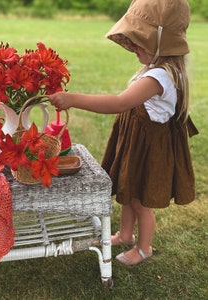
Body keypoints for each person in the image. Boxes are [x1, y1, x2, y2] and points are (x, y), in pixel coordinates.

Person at [49, 0, 198, 266]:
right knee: (127, 192)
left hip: (149, 149)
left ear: (161, 44)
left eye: (138, 42)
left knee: (141, 201)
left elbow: (119, 103)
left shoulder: (160, 77)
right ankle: (125, 234)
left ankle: (143, 248)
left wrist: (73, 99)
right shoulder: (155, 69)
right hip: (136, 144)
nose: (132, 47)